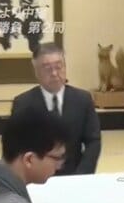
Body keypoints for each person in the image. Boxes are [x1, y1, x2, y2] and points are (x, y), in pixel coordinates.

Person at [11, 43, 101, 176]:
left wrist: (82, 175)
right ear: (36, 71)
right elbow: (16, 146)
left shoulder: (83, 99)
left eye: (58, 67)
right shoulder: (23, 104)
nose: (54, 73)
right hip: (35, 177)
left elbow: (93, 141)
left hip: (75, 174)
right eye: (47, 69)